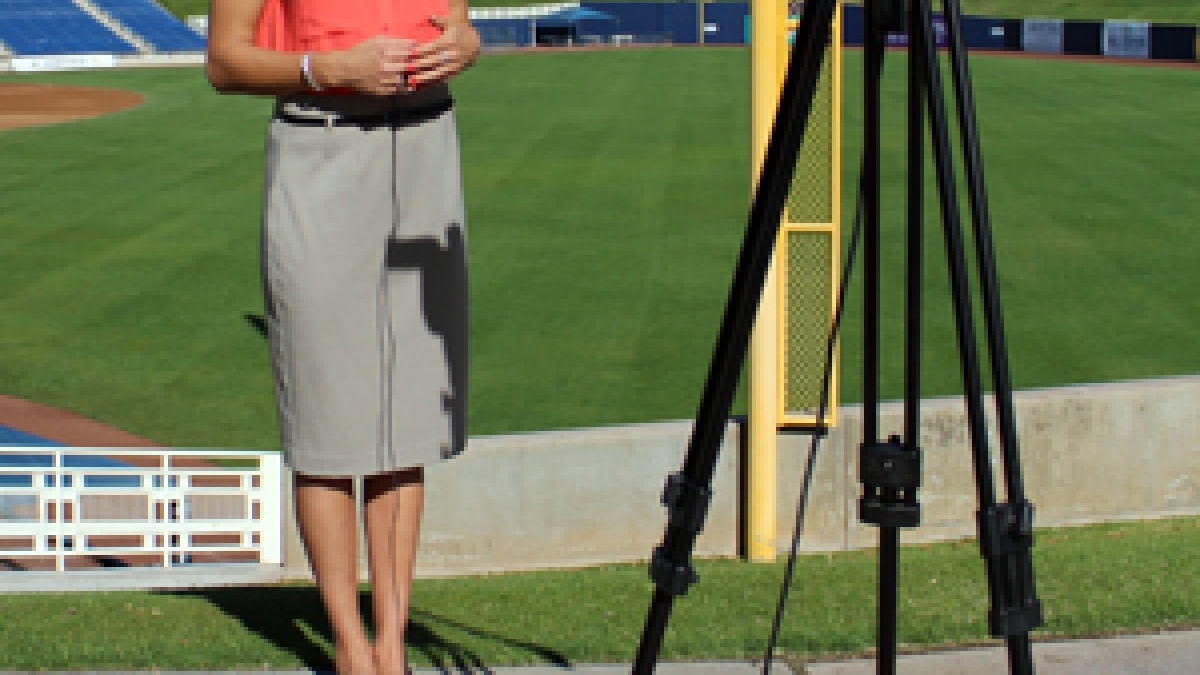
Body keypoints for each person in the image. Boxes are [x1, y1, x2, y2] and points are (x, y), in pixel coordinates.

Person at [206, 1, 481, 673]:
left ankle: (391, 645)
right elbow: (223, 59)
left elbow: (456, 21)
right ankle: (350, 647)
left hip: (425, 148)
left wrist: (467, 44)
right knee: (325, 421)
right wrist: (325, 67)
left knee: (405, 419)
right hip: (320, 146)